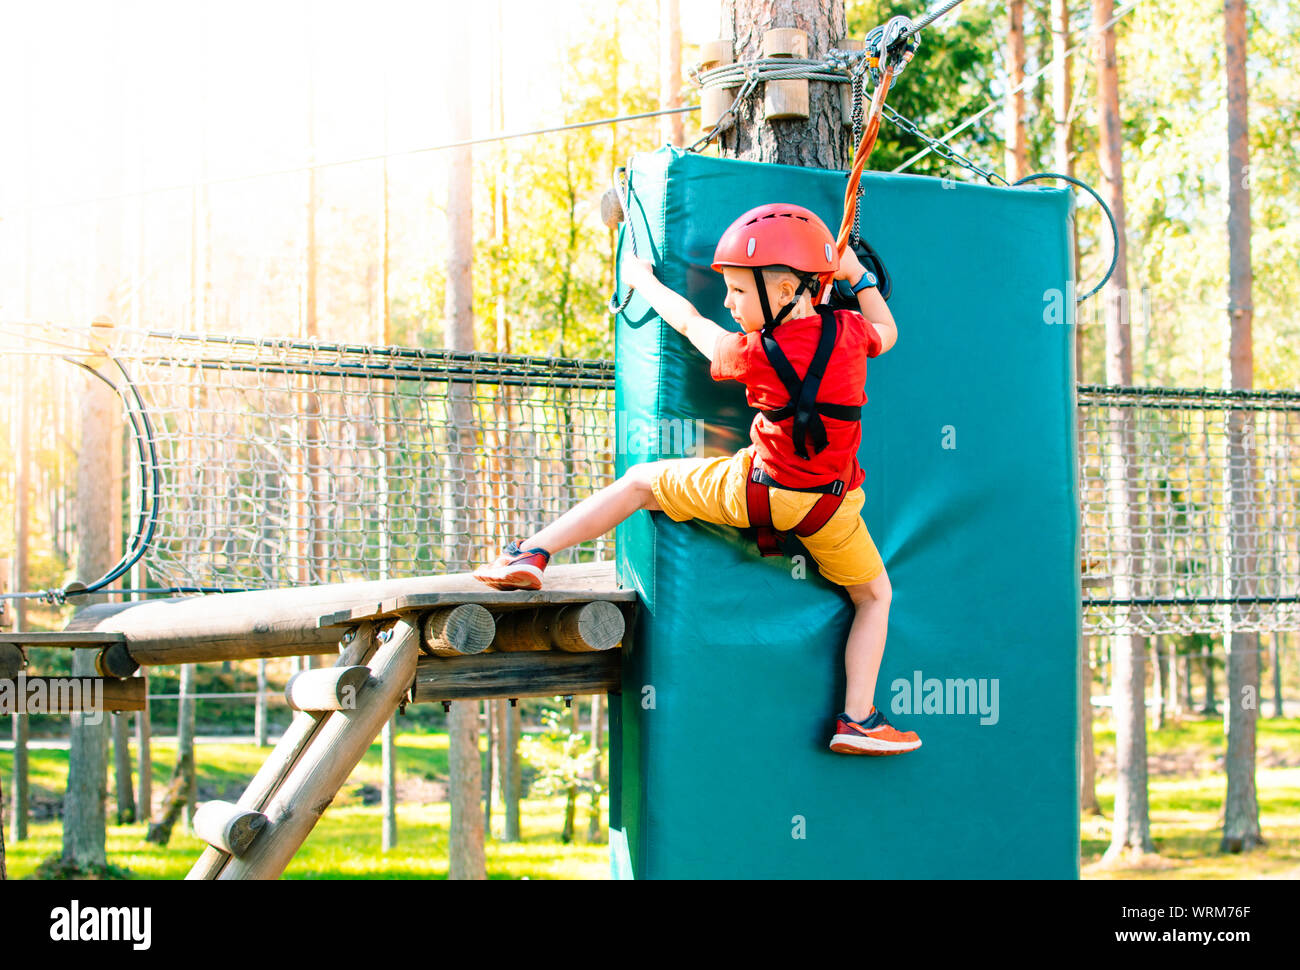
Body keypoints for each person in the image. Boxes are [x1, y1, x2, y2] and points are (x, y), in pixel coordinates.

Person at [474, 203, 920, 756]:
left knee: (641, 482)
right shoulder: (852, 332)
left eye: (737, 290)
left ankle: (531, 552)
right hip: (828, 510)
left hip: (753, 489)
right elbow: (889, 329)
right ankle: (857, 719)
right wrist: (857, 274)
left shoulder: (747, 353)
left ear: (784, 291)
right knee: (875, 596)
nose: (728, 303)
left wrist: (641, 280)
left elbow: (688, 322)